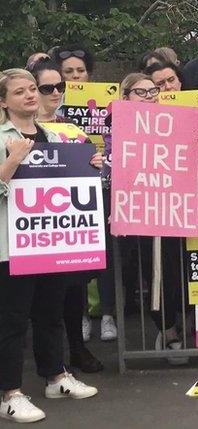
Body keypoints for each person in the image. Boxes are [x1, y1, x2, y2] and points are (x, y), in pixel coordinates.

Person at [0, 69, 99, 423]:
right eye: (18, 92)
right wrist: (12, 160)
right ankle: (10, 393)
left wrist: (89, 166)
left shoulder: (55, 134)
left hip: (49, 243)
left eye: (31, 89)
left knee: (50, 313)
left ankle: (55, 376)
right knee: (12, 320)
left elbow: (70, 181)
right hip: (12, 246)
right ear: (3, 102)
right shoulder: (2, 137)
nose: (29, 96)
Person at [28, 62, 106, 373]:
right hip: (35, 223)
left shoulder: (74, 129)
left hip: (69, 222)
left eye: (60, 86)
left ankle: (76, 348)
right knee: (40, 299)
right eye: (48, 88)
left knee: (73, 292)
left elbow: (91, 169)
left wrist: (96, 162)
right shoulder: (19, 129)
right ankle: (48, 360)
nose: (56, 92)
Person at [112, 73, 190, 365]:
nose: (149, 96)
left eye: (153, 91)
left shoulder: (174, 120)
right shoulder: (115, 127)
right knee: (150, 272)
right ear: (126, 97)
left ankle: (178, 326)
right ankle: (167, 331)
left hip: (173, 209)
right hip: (137, 214)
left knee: (174, 272)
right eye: (141, 92)